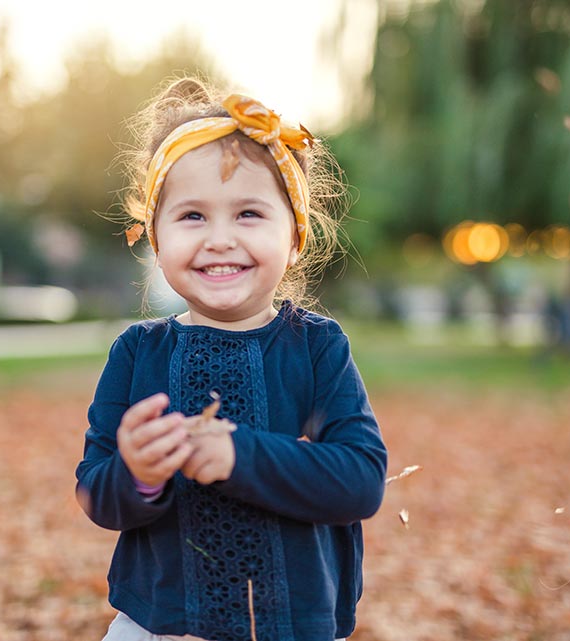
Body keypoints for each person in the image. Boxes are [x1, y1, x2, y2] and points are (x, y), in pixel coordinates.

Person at [75, 76, 388, 641]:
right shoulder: (136, 353)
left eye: (248, 214)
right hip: (159, 625)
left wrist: (236, 455)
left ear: (295, 237)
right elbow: (95, 492)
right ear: (156, 237)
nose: (219, 238)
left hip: (293, 626)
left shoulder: (317, 348)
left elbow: (362, 481)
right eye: (192, 216)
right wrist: (138, 476)